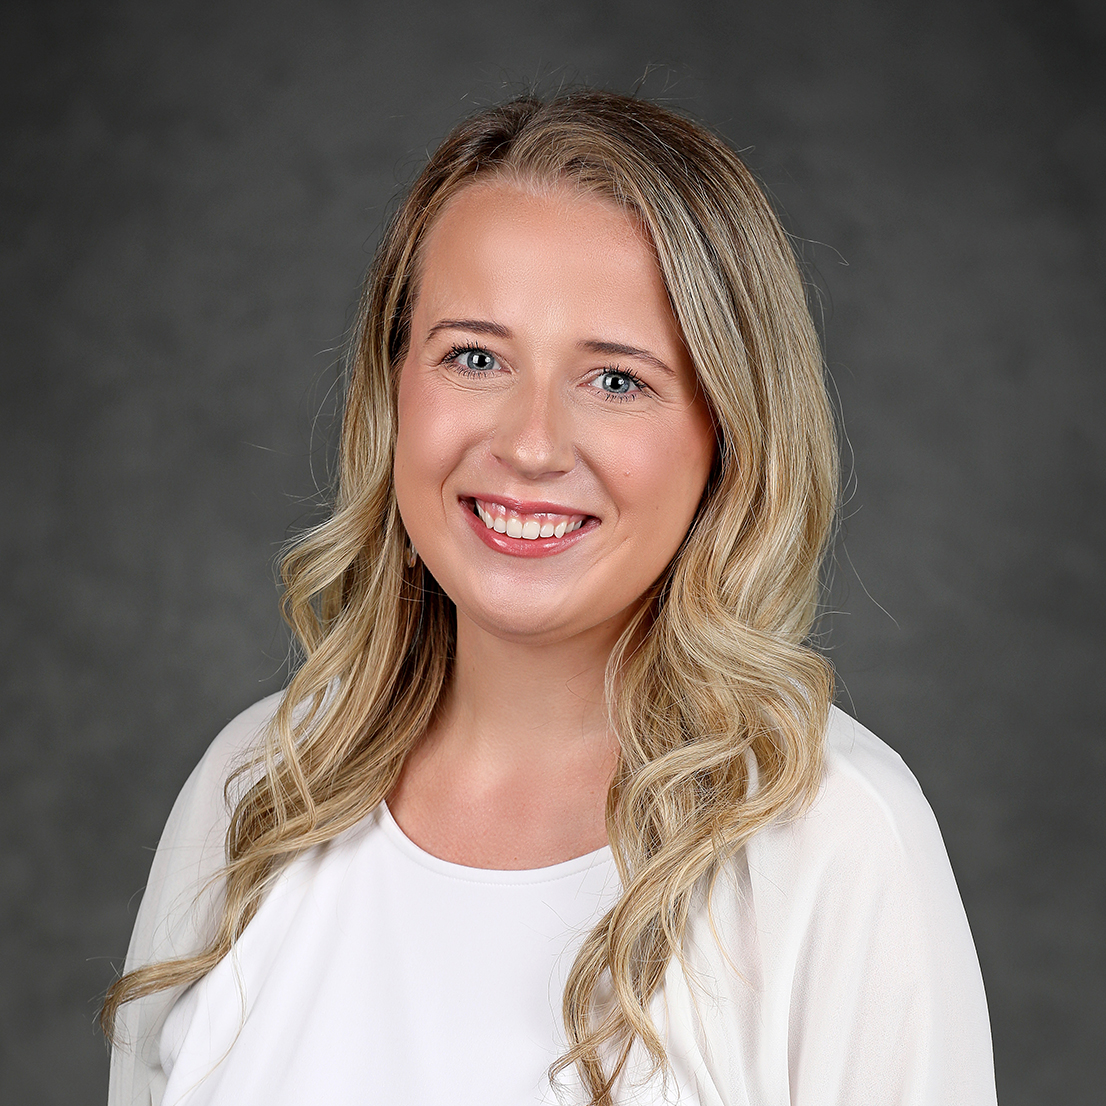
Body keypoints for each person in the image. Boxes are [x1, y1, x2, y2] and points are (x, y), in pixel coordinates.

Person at [102, 90, 997, 1106]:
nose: (528, 444)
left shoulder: (831, 836)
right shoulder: (256, 788)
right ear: (393, 388)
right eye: (473, 357)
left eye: (614, 380)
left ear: (727, 436)